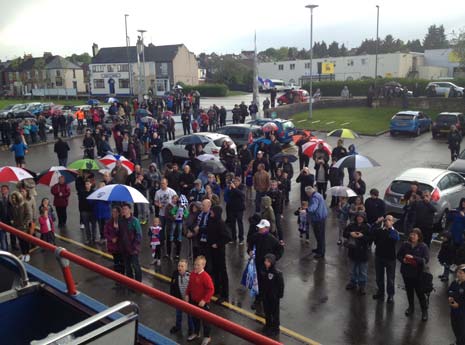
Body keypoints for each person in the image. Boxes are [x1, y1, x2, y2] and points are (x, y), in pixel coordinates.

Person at [247, 219, 283, 313]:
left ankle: (265, 300)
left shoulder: (273, 239)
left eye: (261, 228)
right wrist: (249, 251)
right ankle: (258, 300)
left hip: (267, 266)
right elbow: (250, 245)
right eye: (259, 228)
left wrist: (272, 260)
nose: (259, 229)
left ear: (267, 228)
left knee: (266, 284)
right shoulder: (255, 236)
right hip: (257, 264)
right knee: (257, 282)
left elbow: (279, 250)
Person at [397, 228, 430, 321]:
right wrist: (402, 260)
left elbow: (425, 260)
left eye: (414, 235)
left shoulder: (423, 247)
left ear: (419, 237)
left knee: (420, 293)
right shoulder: (405, 244)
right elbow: (399, 255)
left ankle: (424, 311)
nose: (412, 236)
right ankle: (411, 307)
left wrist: (414, 258)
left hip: (418, 274)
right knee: (409, 291)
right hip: (406, 273)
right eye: (411, 234)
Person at [184, 256, 215, 345]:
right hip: (193, 301)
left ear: (203, 265)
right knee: (195, 319)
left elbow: (211, 289)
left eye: (198, 265)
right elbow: (190, 285)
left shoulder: (206, 277)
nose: (196, 267)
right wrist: (187, 294)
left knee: (205, 321)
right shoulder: (193, 274)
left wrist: (204, 300)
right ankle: (196, 333)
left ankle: (207, 336)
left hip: (203, 303)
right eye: (195, 264)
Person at [372, 215, 400, 303]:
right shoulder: (380, 230)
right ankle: (380, 292)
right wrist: (377, 222)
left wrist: (390, 228)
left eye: (389, 220)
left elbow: (395, 239)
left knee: (390, 278)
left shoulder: (394, 232)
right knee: (379, 277)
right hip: (379, 256)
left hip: (390, 258)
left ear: (392, 222)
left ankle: (390, 295)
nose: (387, 221)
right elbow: (372, 234)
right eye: (385, 220)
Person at [206, 205, 231, 301]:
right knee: (215, 271)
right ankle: (216, 289)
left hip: (219, 251)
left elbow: (228, 237)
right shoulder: (211, 221)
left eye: (212, 211)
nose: (210, 213)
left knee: (222, 272)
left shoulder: (221, 223)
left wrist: (218, 244)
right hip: (211, 250)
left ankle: (224, 294)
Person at [344, 212, 370, 295]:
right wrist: (350, 233)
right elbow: (344, 233)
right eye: (358, 217)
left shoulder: (367, 227)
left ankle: (362, 286)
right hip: (353, 251)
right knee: (353, 269)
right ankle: (353, 283)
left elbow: (370, 239)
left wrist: (362, 236)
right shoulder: (351, 225)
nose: (359, 218)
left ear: (364, 218)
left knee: (362, 271)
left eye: (361, 217)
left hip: (362, 253)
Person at [261, 253, 284, 337]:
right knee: (267, 311)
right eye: (265, 261)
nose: (266, 263)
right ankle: (268, 324)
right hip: (266, 295)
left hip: (274, 297)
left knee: (275, 313)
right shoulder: (264, 270)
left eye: (268, 261)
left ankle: (275, 328)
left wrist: (279, 295)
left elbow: (281, 285)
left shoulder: (277, 273)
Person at [170, 259, 195, 336]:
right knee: (178, 314)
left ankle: (191, 330)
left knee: (190, 317)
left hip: (189, 301)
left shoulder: (190, 277)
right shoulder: (175, 274)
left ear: (186, 268)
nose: (179, 268)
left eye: (182, 266)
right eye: (179, 266)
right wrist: (172, 296)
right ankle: (178, 327)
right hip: (179, 298)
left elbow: (193, 289)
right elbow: (172, 285)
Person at [119, 203, 142, 282]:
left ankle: (138, 283)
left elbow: (138, 235)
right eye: (123, 209)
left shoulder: (134, 221)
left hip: (133, 249)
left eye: (125, 209)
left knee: (136, 266)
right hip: (124, 248)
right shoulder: (121, 221)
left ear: (130, 210)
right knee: (127, 267)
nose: (123, 211)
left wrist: (134, 247)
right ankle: (130, 283)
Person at [154, 178, 177, 255]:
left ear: (167, 183)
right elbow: (155, 201)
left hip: (170, 214)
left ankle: (171, 241)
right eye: (161, 183)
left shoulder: (171, 191)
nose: (162, 185)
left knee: (170, 229)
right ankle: (162, 242)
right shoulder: (158, 192)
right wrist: (158, 204)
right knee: (161, 229)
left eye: (163, 183)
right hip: (162, 213)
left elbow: (177, 200)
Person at [306, 186, 328, 259]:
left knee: (319, 236)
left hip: (318, 219)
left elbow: (313, 208)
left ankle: (321, 252)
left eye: (307, 193)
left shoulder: (314, 198)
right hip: (321, 217)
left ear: (309, 192)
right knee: (320, 235)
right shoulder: (318, 195)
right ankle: (319, 249)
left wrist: (306, 210)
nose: (307, 195)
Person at [10, 191, 32, 262]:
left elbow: (29, 215)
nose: (13, 199)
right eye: (12, 198)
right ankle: (23, 253)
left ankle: (27, 254)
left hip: (24, 227)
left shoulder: (25, 204)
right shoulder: (14, 206)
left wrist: (24, 224)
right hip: (17, 227)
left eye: (14, 197)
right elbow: (14, 216)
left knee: (25, 241)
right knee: (20, 241)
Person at [104, 206, 124, 276]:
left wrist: (117, 236)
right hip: (113, 246)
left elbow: (124, 233)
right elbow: (105, 233)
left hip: (120, 246)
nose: (113, 213)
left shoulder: (122, 222)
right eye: (112, 212)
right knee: (116, 261)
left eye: (115, 212)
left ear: (119, 213)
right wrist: (111, 239)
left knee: (122, 261)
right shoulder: (109, 222)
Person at [448, 264, 465, 345]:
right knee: (455, 328)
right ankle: (458, 342)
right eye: (458, 272)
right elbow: (449, 291)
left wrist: (459, 305)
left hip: (462, 313)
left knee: (462, 331)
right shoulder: (455, 282)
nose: (458, 274)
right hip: (454, 311)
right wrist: (450, 298)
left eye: (461, 273)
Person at [225, 176, 245, 244]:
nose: (235, 183)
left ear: (239, 182)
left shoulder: (242, 187)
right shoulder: (231, 188)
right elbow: (228, 195)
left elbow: (241, 194)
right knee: (232, 223)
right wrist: (230, 189)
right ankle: (233, 238)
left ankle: (241, 238)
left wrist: (235, 188)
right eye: (234, 182)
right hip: (232, 208)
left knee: (240, 222)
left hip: (239, 208)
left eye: (236, 181)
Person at [169, 195, 189, 260]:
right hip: (175, 220)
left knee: (180, 229)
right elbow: (172, 211)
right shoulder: (176, 207)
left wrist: (184, 215)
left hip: (180, 221)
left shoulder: (184, 208)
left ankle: (179, 237)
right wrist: (174, 215)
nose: (181, 205)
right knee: (173, 227)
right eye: (180, 203)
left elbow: (187, 214)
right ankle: (171, 236)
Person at [0, 185, 12, 250]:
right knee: (3, 236)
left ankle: (14, 245)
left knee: (13, 234)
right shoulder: (0, 199)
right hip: (3, 220)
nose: (3, 191)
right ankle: (5, 249)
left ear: (8, 190)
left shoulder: (11, 198)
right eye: (2, 189)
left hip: (11, 219)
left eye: (4, 189)